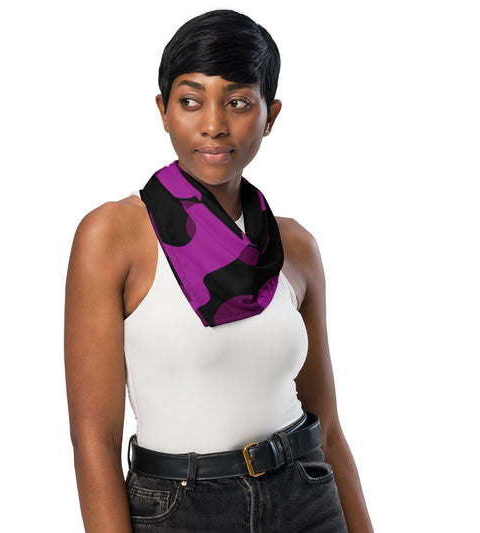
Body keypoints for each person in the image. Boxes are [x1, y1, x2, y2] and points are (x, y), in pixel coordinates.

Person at [64, 9, 373, 533]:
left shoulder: (295, 247)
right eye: (191, 101)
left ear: (270, 116)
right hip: (181, 509)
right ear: (163, 111)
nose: (213, 124)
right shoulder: (112, 235)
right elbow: (94, 439)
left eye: (237, 102)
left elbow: (329, 428)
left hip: (306, 498)